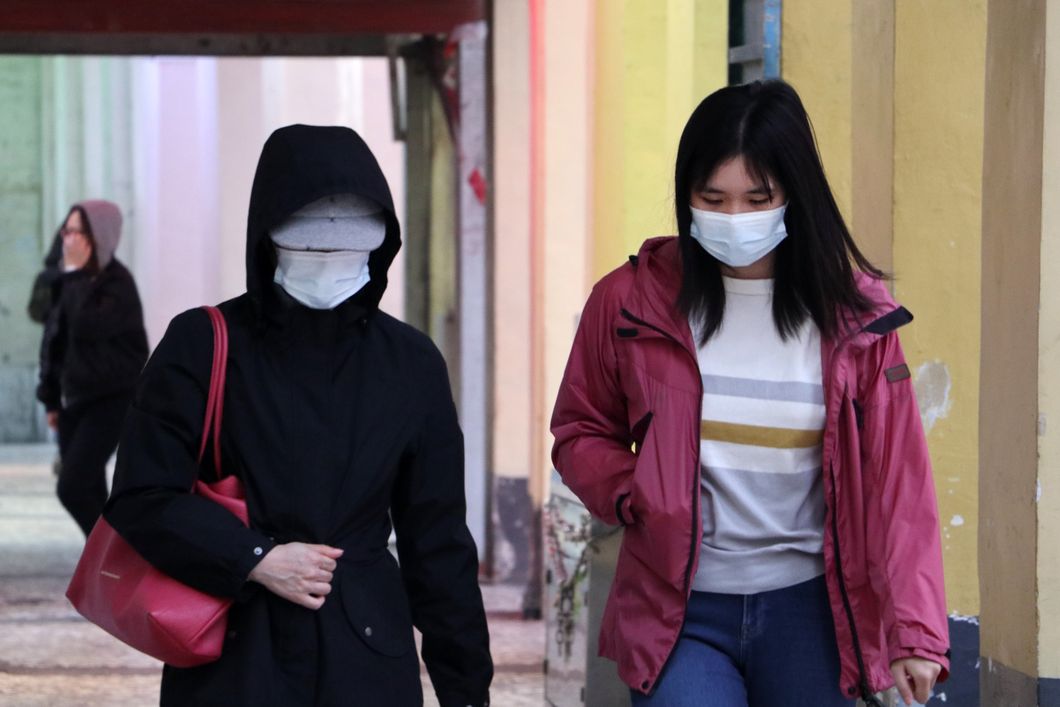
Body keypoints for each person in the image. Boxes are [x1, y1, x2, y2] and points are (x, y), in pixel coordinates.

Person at [551, 80, 949, 707]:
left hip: (812, 615)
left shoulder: (858, 324)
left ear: (794, 195)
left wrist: (916, 632)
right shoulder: (629, 302)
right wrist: (634, 492)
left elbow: (899, 483)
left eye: (757, 199)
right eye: (713, 198)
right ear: (686, 195)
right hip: (677, 612)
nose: (734, 218)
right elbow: (581, 428)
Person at [104, 125, 493, 707]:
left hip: (366, 657)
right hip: (235, 656)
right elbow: (142, 495)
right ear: (267, 237)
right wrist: (255, 559)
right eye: (309, 240)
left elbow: (437, 542)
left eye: (350, 240)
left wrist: (466, 693)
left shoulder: (411, 362)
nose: (329, 255)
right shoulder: (203, 344)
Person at [36, 200, 148, 537]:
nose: (67, 239)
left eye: (76, 232)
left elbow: (87, 326)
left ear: (98, 236)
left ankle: (111, 552)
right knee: (92, 492)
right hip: (74, 402)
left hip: (110, 400)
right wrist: (50, 397)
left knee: (72, 487)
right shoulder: (69, 280)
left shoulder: (117, 283)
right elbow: (54, 339)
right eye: (66, 231)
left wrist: (73, 274)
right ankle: (105, 561)